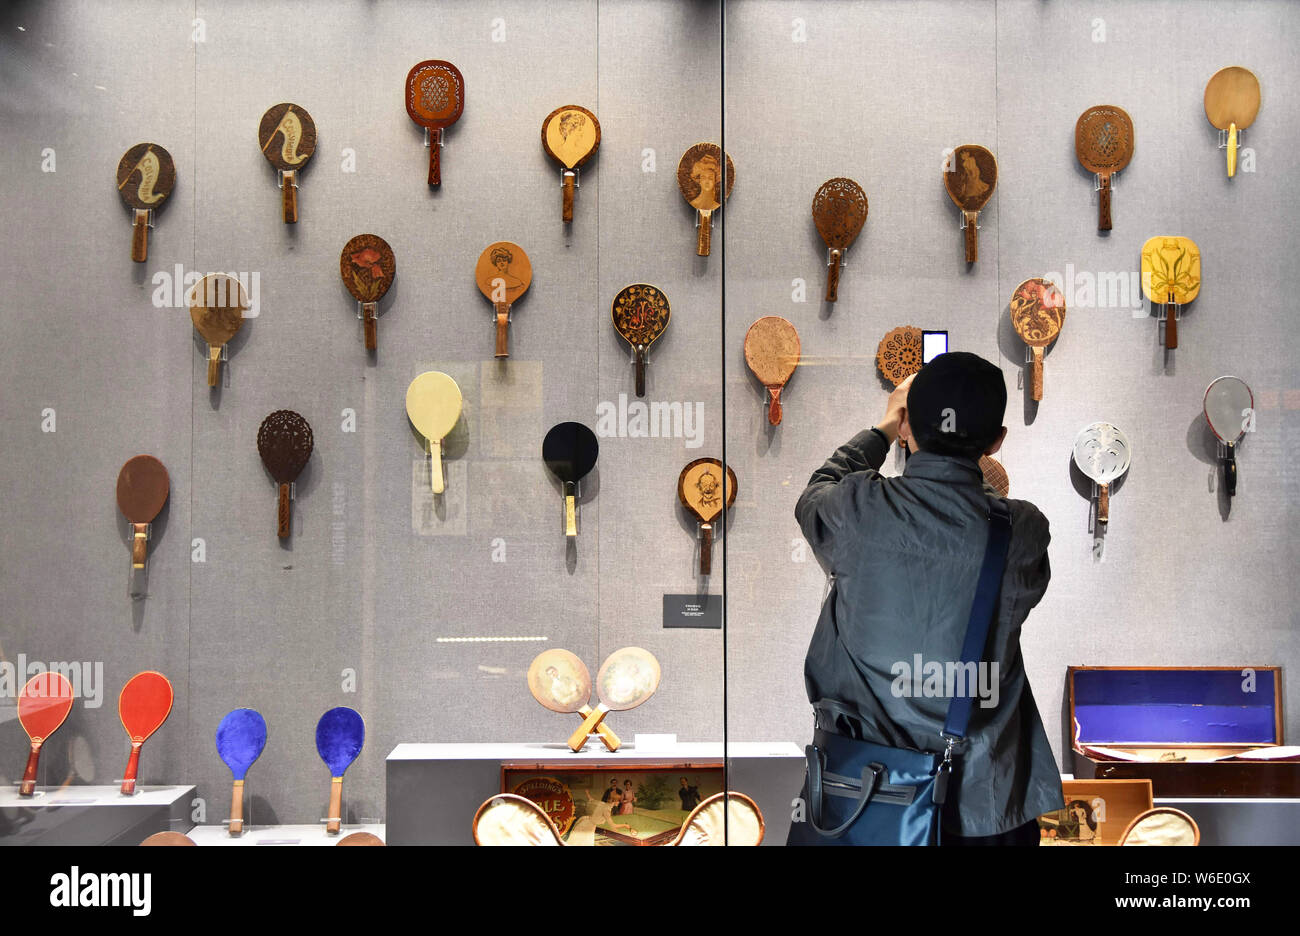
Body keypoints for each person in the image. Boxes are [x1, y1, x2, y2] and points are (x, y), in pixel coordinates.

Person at [792, 352, 1063, 845]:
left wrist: (881, 429)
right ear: (996, 442)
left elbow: (814, 494)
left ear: (906, 428)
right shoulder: (1022, 531)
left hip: (864, 803)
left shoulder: (860, 509)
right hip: (986, 810)